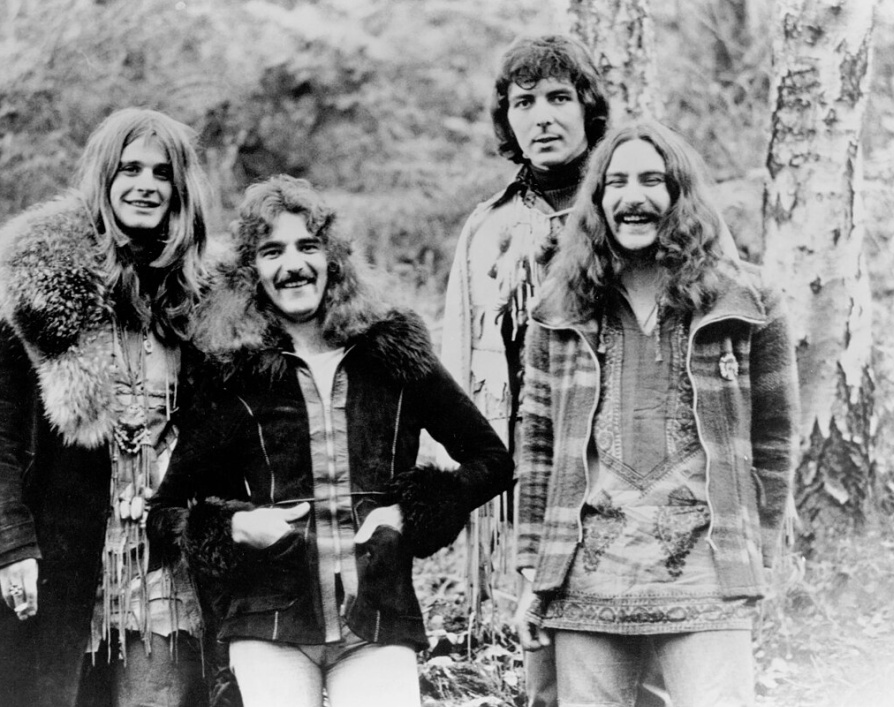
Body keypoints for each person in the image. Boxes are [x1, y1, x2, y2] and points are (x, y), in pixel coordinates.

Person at [147, 175, 514, 707]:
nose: (293, 264)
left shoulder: (393, 353)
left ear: (334, 259)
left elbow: (492, 460)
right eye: (272, 251)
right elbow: (166, 513)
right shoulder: (231, 374)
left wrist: (413, 511)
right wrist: (237, 527)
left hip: (379, 618)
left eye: (308, 246)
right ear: (251, 272)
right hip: (269, 624)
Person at [517, 119, 799, 707]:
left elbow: (774, 442)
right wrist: (530, 577)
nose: (633, 196)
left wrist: (760, 559)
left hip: (708, 576)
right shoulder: (558, 310)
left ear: (680, 195)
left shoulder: (747, 302)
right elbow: (538, 450)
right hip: (587, 576)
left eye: (652, 180)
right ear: (598, 201)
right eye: (616, 182)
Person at [0, 108, 217, 707]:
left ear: (182, 188)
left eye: (162, 173)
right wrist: (8, 544)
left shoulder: (205, 295)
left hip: (163, 566)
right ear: (104, 176)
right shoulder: (36, 277)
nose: (146, 185)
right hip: (62, 547)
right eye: (130, 168)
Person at [437, 34, 610, 707]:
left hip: (615, 460)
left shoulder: (625, 200)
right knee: (546, 662)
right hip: (529, 467)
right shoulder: (488, 226)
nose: (542, 117)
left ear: (587, 106)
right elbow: (459, 359)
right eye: (525, 102)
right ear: (507, 118)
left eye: (559, 98)